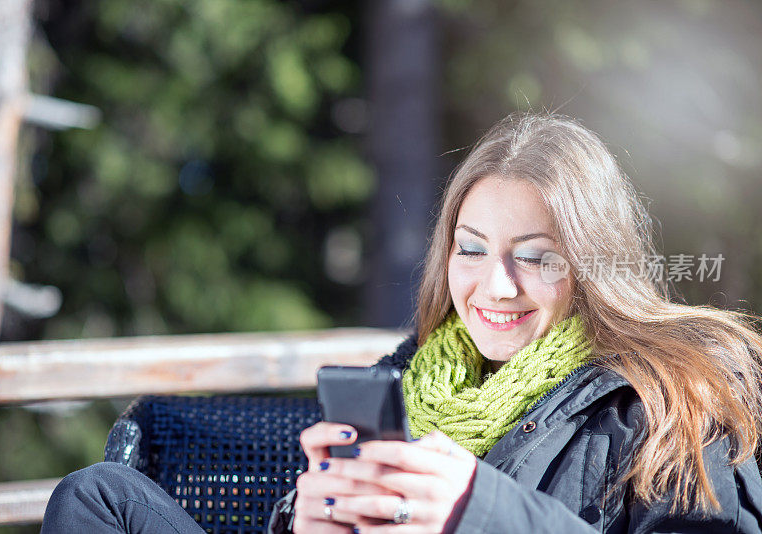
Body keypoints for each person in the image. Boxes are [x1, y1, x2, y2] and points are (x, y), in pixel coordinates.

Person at [42, 112, 762, 534]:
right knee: (98, 496)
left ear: (593, 262)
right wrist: (303, 517)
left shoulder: (669, 396)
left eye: (537, 258)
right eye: (472, 249)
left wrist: (477, 510)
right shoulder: (417, 365)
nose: (495, 286)